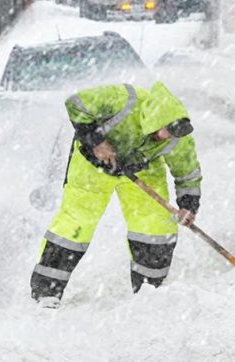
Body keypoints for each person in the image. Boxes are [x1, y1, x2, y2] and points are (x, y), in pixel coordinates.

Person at [30, 81, 202, 308]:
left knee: (156, 224)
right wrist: (96, 141)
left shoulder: (177, 135)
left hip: (141, 167)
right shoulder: (124, 100)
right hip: (93, 163)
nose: (165, 137)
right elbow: (76, 103)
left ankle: (151, 291)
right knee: (76, 223)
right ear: (153, 120)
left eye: (171, 135)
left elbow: (187, 171)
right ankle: (47, 291)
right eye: (164, 131)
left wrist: (189, 204)